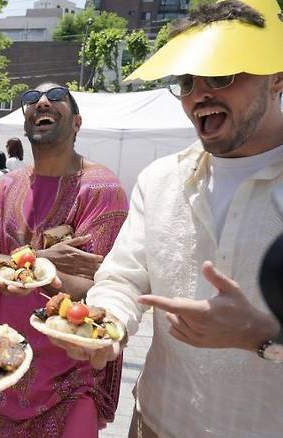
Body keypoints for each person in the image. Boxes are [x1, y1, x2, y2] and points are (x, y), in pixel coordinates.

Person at [53, 1, 283, 437]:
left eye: (221, 75)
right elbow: (123, 278)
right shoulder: (161, 179)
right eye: (187, 80)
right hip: (155, 423)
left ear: (277, 79)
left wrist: (260, 334)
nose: (199, 93)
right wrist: (106, 324)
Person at [0, 82, 128, 437]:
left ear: (77, 122)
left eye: (56, 97)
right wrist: (43, 258)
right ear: (26, 122)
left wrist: (18, 267)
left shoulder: (102, 189)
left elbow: (97, 283)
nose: (42, 101)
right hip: (0, 360)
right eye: (31, 99)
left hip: (71, 374)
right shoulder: (7, 184)